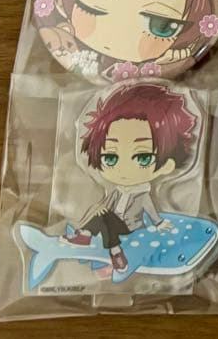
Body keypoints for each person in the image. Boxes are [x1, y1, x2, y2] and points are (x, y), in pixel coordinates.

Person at [62, 83, 197, 272]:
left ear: (167, 165)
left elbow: (150, 209)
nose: (124, 169)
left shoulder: (142, 194)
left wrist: (159, 223)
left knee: (106, 218)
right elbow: (104, 206)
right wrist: (95, 211)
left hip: (129, 228)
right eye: (110, 158)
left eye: (143, 158)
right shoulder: (116, 190)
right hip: (113, 225)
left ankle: (114, 251)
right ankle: (86, 236)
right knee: (103, 215)